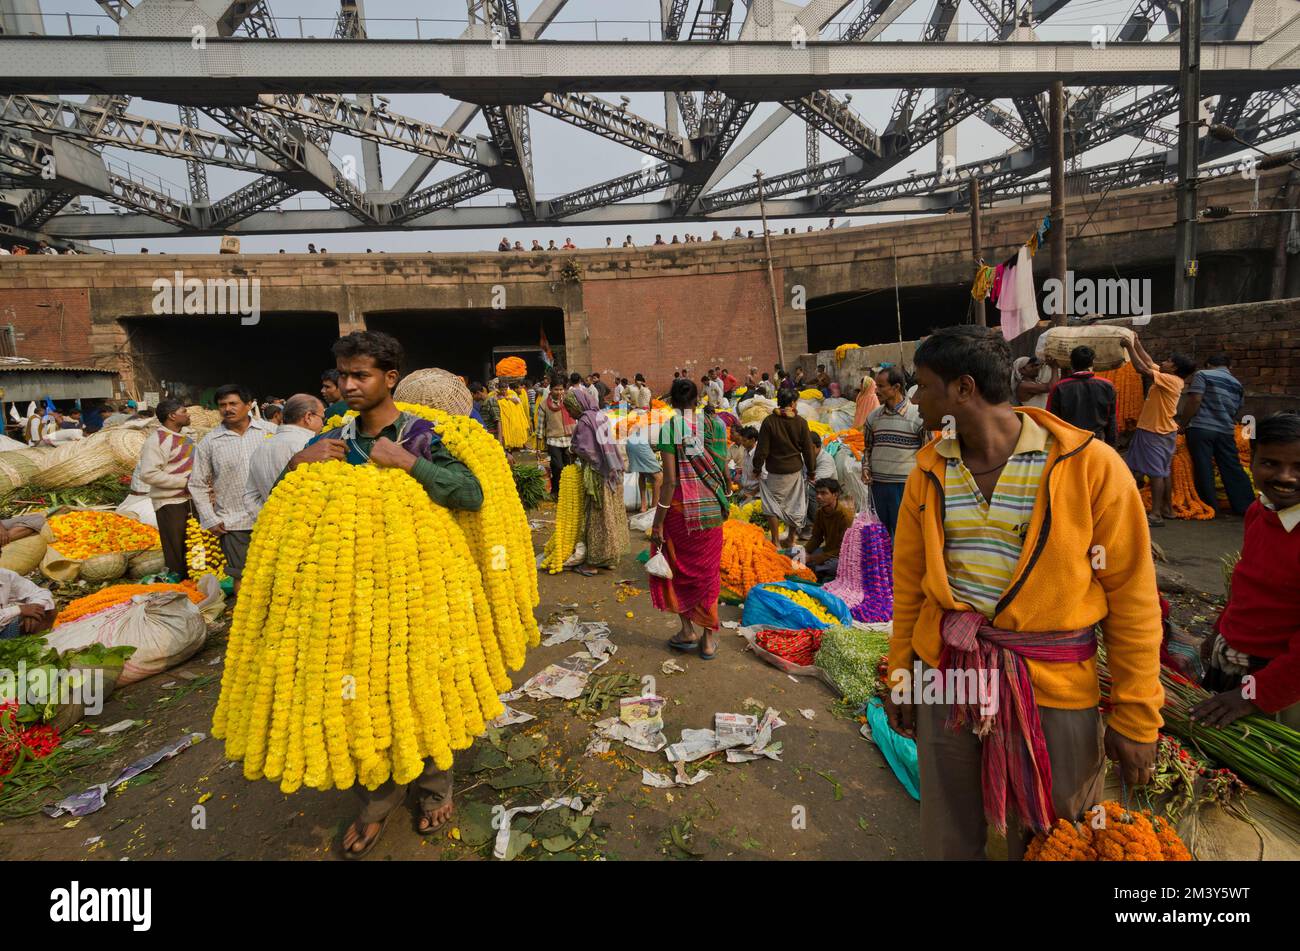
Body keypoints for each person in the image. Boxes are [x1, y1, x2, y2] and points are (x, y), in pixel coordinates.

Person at [885, 324, 1162, 861]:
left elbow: (1133, 601)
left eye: (924, 386)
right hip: (949, 678)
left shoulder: (1089, 467)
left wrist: (1136, 715)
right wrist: (903, 675)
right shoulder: (929, 471)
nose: (916, 399)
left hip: (1054, 688)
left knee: (1051, 838)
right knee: (948, 833)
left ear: (963, 389)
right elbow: (911, 590)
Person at [284, 330, 481, 859]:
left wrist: (409, 463)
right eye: (342, 376)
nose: (347, 386)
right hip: (347, 602)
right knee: (361, 699)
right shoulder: (332, 436)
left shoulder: (423, 434)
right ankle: (378, 799)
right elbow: (290, 500)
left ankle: (435, 787)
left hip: (417, 596)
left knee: (422, 688)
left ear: (389, 378)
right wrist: (297, 465)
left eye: (360, 375)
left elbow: (470, 493)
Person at [1191, 412, 1300, 730]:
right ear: (1250, 461)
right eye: (1270, 463)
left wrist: (1252, 697)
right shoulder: (1258, 511)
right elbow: (1246, 581)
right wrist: (1218, 632)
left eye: (1298, 467)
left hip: (1279, 682)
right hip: (1234, 663)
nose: (1286, 477)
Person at [650, 379, 729, 660]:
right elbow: (723, 469)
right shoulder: (715, 425)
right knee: (708, 575)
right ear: (699, 398)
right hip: (711, 512)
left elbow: (669, 482)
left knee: (678, 571)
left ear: (671, 401)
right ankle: (708, 640)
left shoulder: (669, 428)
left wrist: (657, 521)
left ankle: (687, 631)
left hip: (680, 515)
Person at [188, 384, 277, 595]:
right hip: (234, 522)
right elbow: (197, 483)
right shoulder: (210, 442)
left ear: (248, 405)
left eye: (233, 403)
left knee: (277, 576)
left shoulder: (271, 433)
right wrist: (210, 518)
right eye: (222, 405)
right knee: (242, 577)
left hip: (273, 517)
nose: (228, 409)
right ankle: (246, 625)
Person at [1122, 336, 1196, 527]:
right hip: (1153, 429)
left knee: (1157, 473)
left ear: (1175, 368)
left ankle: (1156, 514)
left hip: (1157, 432)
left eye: (1169, 361)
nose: (1164, 362)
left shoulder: (1171, 380)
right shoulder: (1167, 375)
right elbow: (1148, 362)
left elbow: (1141, 368)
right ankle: (1167, 509)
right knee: (1163, 472)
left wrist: (1129, 347)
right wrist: (1136, 342)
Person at [1178, 353, 1253, 516]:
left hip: (1200, 428)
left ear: (1209, 364)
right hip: (1225, 430)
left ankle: (1210, 508)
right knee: (1232, 466)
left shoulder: (1202, 374)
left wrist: (1183, 424)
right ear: (1228, 367)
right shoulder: (1237, 384)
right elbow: (1237, 409)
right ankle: (1245, 506)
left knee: (1203, 466)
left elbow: (1195, 400)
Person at [563, 387, 629, 570]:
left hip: (596, 471)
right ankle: (612, 554)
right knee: (610, 512)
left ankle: (600, 556)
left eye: (570, 409)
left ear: (577, 405)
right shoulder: (601, 416)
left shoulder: (585, 421)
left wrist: (572, 450)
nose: (569, 413)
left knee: (597, 513)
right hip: (610, 468)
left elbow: (586, 450)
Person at [861, 367, 926, 537]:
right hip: (878, 486)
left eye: (881, 386)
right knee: (880, 537)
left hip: (904, 486)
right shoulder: (873, 418)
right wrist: (866, 468)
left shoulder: (918, 417)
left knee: (905, 533)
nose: (876, 390)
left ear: (896, 387)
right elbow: (867, 448)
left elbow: (927, 453)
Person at [138, 399, 195, 581]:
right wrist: (183, 482)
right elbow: (149, 474)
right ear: (172, 416)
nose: (188, 414)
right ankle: (180, 584)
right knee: (176, 549)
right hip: (170, 502)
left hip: (192, 500)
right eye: (184, 411)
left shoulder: (187, 437)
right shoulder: (156, 441)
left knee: (196, 544)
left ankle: (198, 579)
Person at [752, 388, 816, 548]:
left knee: (772, 505)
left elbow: (762, 450)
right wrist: (812, 471)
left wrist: (757, 467)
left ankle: (775, 540)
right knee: (795, 504)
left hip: (775, 471)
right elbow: (808, 449)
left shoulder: (769, 422)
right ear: (793, 403)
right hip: (794, 471)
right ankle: (791, 538)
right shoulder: (800, 422)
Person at [244, 394, 324, 516]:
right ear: (308, 417)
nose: (323, 424)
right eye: (322, 418)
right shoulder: (312, 447)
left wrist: (270, 522)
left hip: (272, 527)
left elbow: (249, 497)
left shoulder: (260, 448)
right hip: (307, 526)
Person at [1046, 346, 1117, 446]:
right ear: (1092, 363)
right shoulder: (1107, 386)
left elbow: (1051, 420)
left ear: (1071, 364)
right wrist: (1111, 448)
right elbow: (1111, 420)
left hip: (1069, 444)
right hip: (1097, 444)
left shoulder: (1059, 387)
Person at [804, 477, 854, 582]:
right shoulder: (820, 513)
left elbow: (844, 548)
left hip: (843, 555)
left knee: (832, 566)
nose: (818, 496)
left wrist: (816, 558)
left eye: (823, 493)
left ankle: (822, 572)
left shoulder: (845, 516)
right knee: (800, 556)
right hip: (827, 551)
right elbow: (816, 538)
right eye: (817, 493)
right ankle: (820, 571)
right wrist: (804, 551)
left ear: (835, 495)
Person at [539, 378, 575, 498]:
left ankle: (567, 491)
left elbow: (576, 417)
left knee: (568, 466)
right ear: (550, 389)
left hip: (568, 439)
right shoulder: (544, 404)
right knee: (557, 466)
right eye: (556, 389)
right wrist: (539, 446)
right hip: (553, 440)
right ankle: (556, 490)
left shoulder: (568, 401)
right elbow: (540, 425)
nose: (559, 392)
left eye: (561, 389)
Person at [0, 568, 56, 640]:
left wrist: (34, 609)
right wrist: (20, 609)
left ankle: (31, 646)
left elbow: (40, 592)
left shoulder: (5, 575)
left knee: (47, 612)